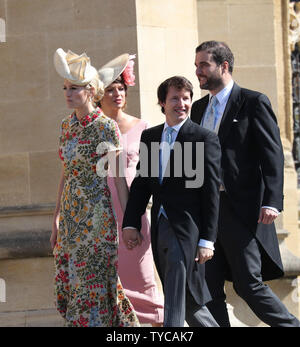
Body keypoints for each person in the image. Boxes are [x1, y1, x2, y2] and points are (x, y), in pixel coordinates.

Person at [191, 40, 300, 327]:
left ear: (223, 66)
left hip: (239, 209)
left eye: (204, 65)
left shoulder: (253, 102)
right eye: (196, 65)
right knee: (209, 284)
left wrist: (272, 201)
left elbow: (272, 155)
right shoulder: (198, 108)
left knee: (247, 282)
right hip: (206, 210)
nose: (198, 71)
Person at [122, 76, 221, 327]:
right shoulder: (150, 137)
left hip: (187, 230)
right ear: (162, 103)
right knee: (187, 299)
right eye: (175, 98)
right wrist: (130, 223)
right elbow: (141, 185)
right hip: (160, 228)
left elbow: (211, 192)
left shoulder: (203, 138)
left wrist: (208, 239)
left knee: (175, 298)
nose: (182, 103)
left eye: (186, 98)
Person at [50, 48, 139, 327]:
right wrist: (55, 218)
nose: (67, 93)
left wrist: (129, 222)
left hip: (97, 221)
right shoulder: (66, 127)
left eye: (73, 88)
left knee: (97, 285)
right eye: (65, 87)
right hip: (70, 220)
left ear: (89, 91)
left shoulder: (106, 127)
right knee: (76, 286)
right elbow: (66, 174)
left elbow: (119, 179)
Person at [97, 53, 164, 326]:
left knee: (144, 281)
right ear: (98, 95)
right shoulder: (93, 129)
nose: (117, 94)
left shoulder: (143, 128)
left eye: (121, 88)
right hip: (100, 216)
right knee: (108, 289)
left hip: (133, 213)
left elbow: (151, 177)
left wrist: (134, 219)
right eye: (110, 90)